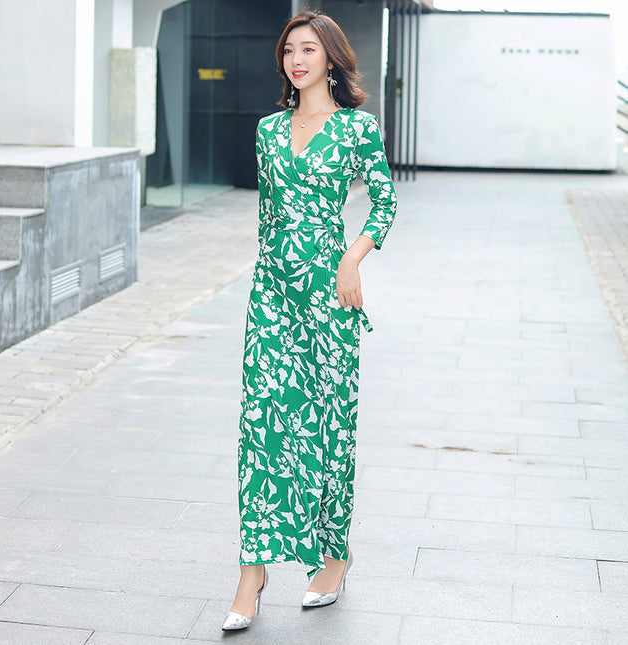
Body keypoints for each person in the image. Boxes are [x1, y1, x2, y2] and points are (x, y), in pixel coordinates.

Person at [222, 10, 397, 631]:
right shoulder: (269, 130)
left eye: (309, 49)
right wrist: (272, 280)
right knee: (263, 427)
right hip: (273, 295)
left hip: (331, 296)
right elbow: (268, 220)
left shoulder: (356, 129)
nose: (297, 60)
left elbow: (386, 198)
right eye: (289, 50)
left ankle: (333, 554)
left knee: (326, 429)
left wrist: (353, 259)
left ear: (331, 58)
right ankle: (253, 571)